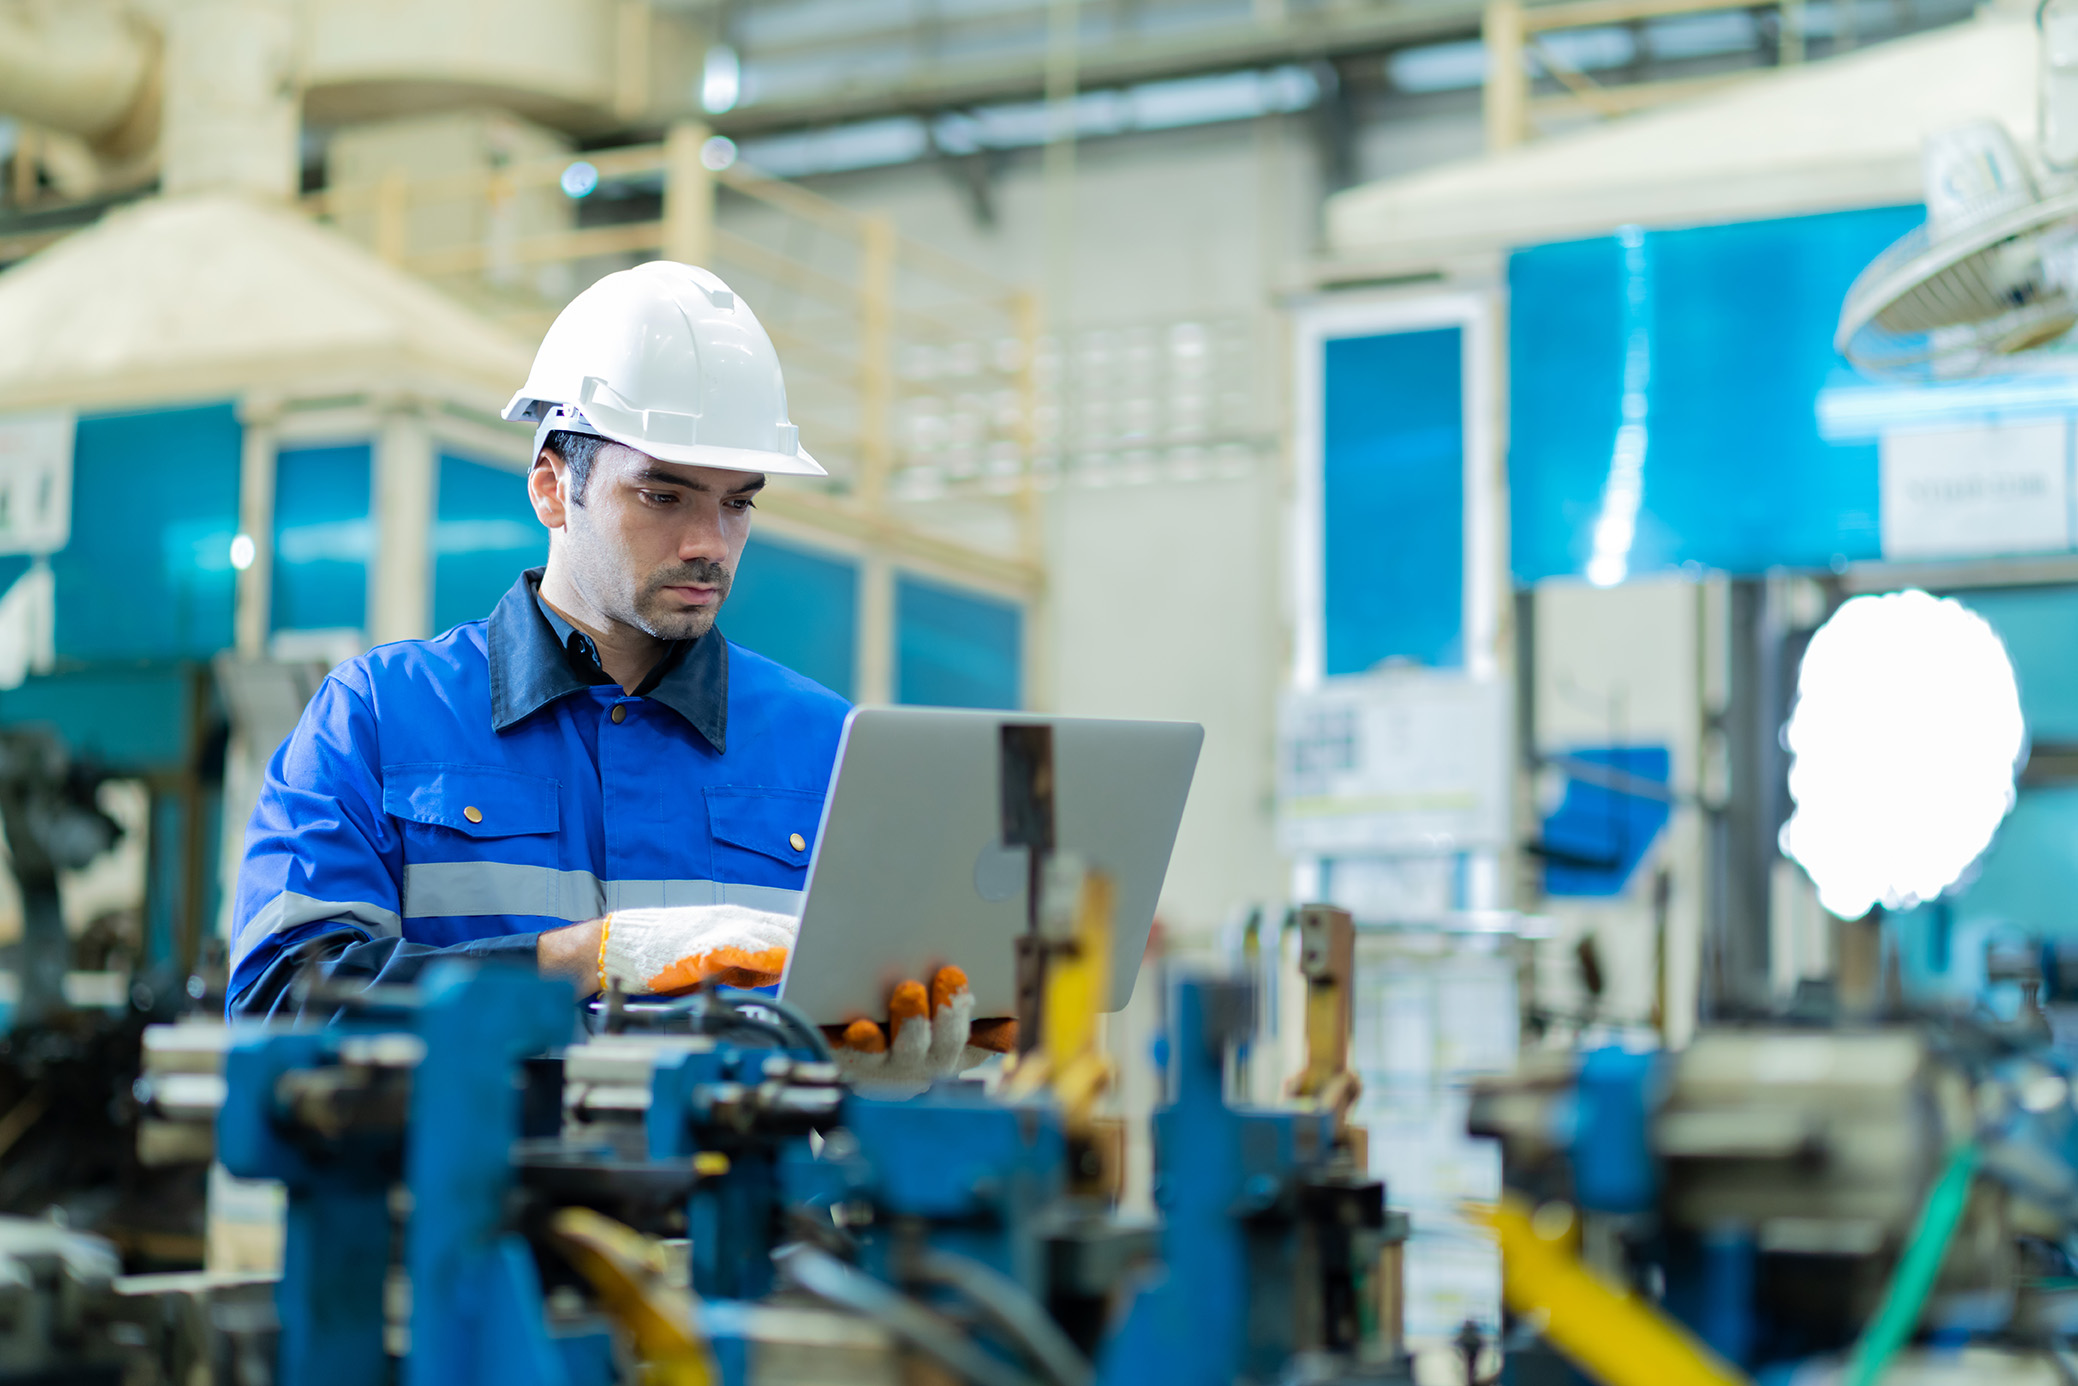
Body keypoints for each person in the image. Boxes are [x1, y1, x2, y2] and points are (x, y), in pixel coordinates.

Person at [226, 261, 1001, 1088]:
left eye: (737, 502)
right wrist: (584, 960)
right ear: (553, 487)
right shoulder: (379, 718)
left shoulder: (829, 746)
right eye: (664, 497)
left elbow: (881, 1021)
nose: (710, 542)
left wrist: (870, 1084)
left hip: (739, 1217)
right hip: (466, 1212)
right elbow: (281, 1009)